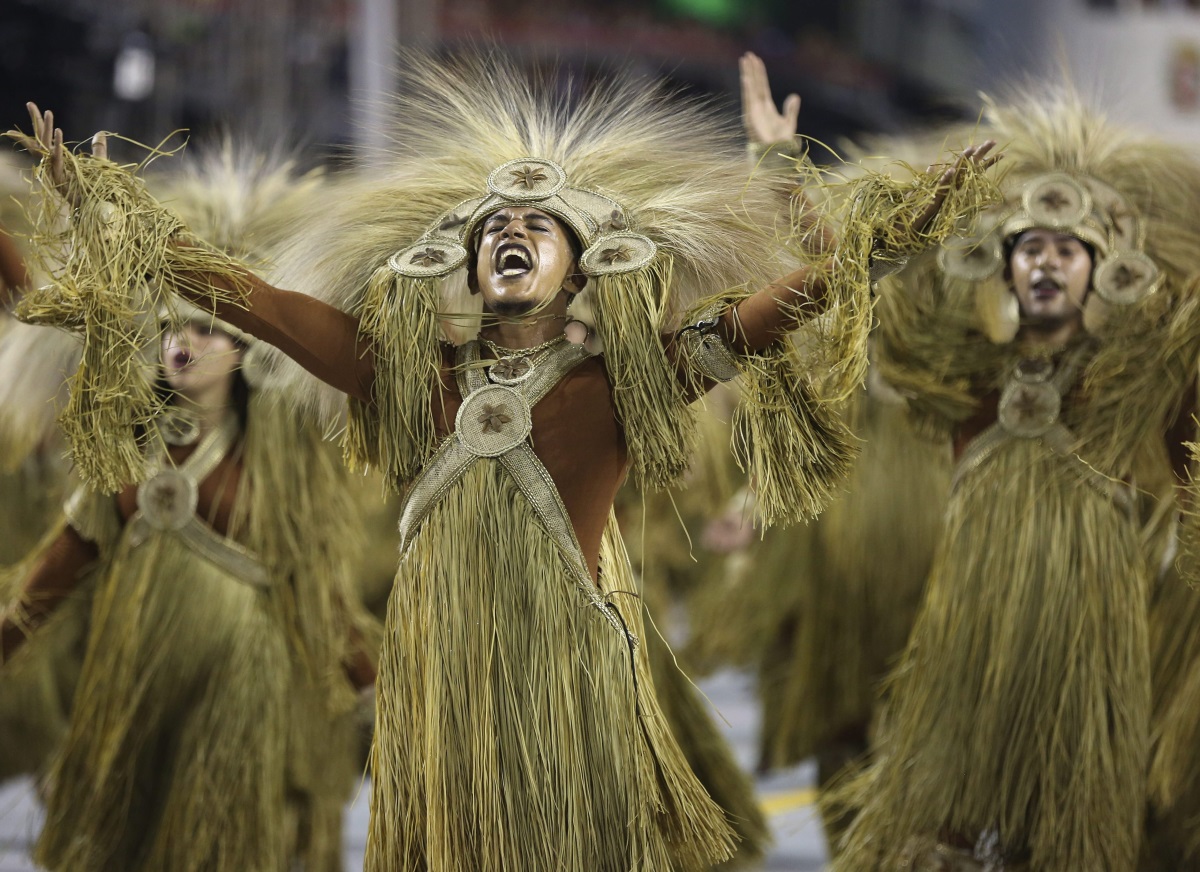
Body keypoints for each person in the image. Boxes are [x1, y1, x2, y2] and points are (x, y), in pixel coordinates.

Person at [10, 52, 994, 872]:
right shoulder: (398, 376)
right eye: (492, 232)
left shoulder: (621, 384)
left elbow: (756, 321)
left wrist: (878, 247)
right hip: (443, 694)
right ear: (460, 268)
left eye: (536, 228)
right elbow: (254, 304)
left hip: (569, 690)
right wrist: (109, 210)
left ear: (584, 267)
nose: (510, 234)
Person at [826, 88, 1200, 872]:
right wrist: (819, 184)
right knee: (938, 838)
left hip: (1089, 648)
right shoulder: (966, 381)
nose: (1045, 262)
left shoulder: (1127, 392)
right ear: (1005, 269)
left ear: (1104, 273)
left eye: (1068, 250)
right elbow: (867, 292)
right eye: (1029, 247)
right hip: (966, 636)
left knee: (1068, 842)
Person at [0, 145, 377, 872]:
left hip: (239, 698)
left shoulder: (276, 480)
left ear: (245, 353)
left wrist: (378, 695)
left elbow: (317, 596)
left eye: (206, 329)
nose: (184, 342)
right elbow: (56, 571)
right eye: (174, 327)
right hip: (136, 682)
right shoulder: (125, 462)